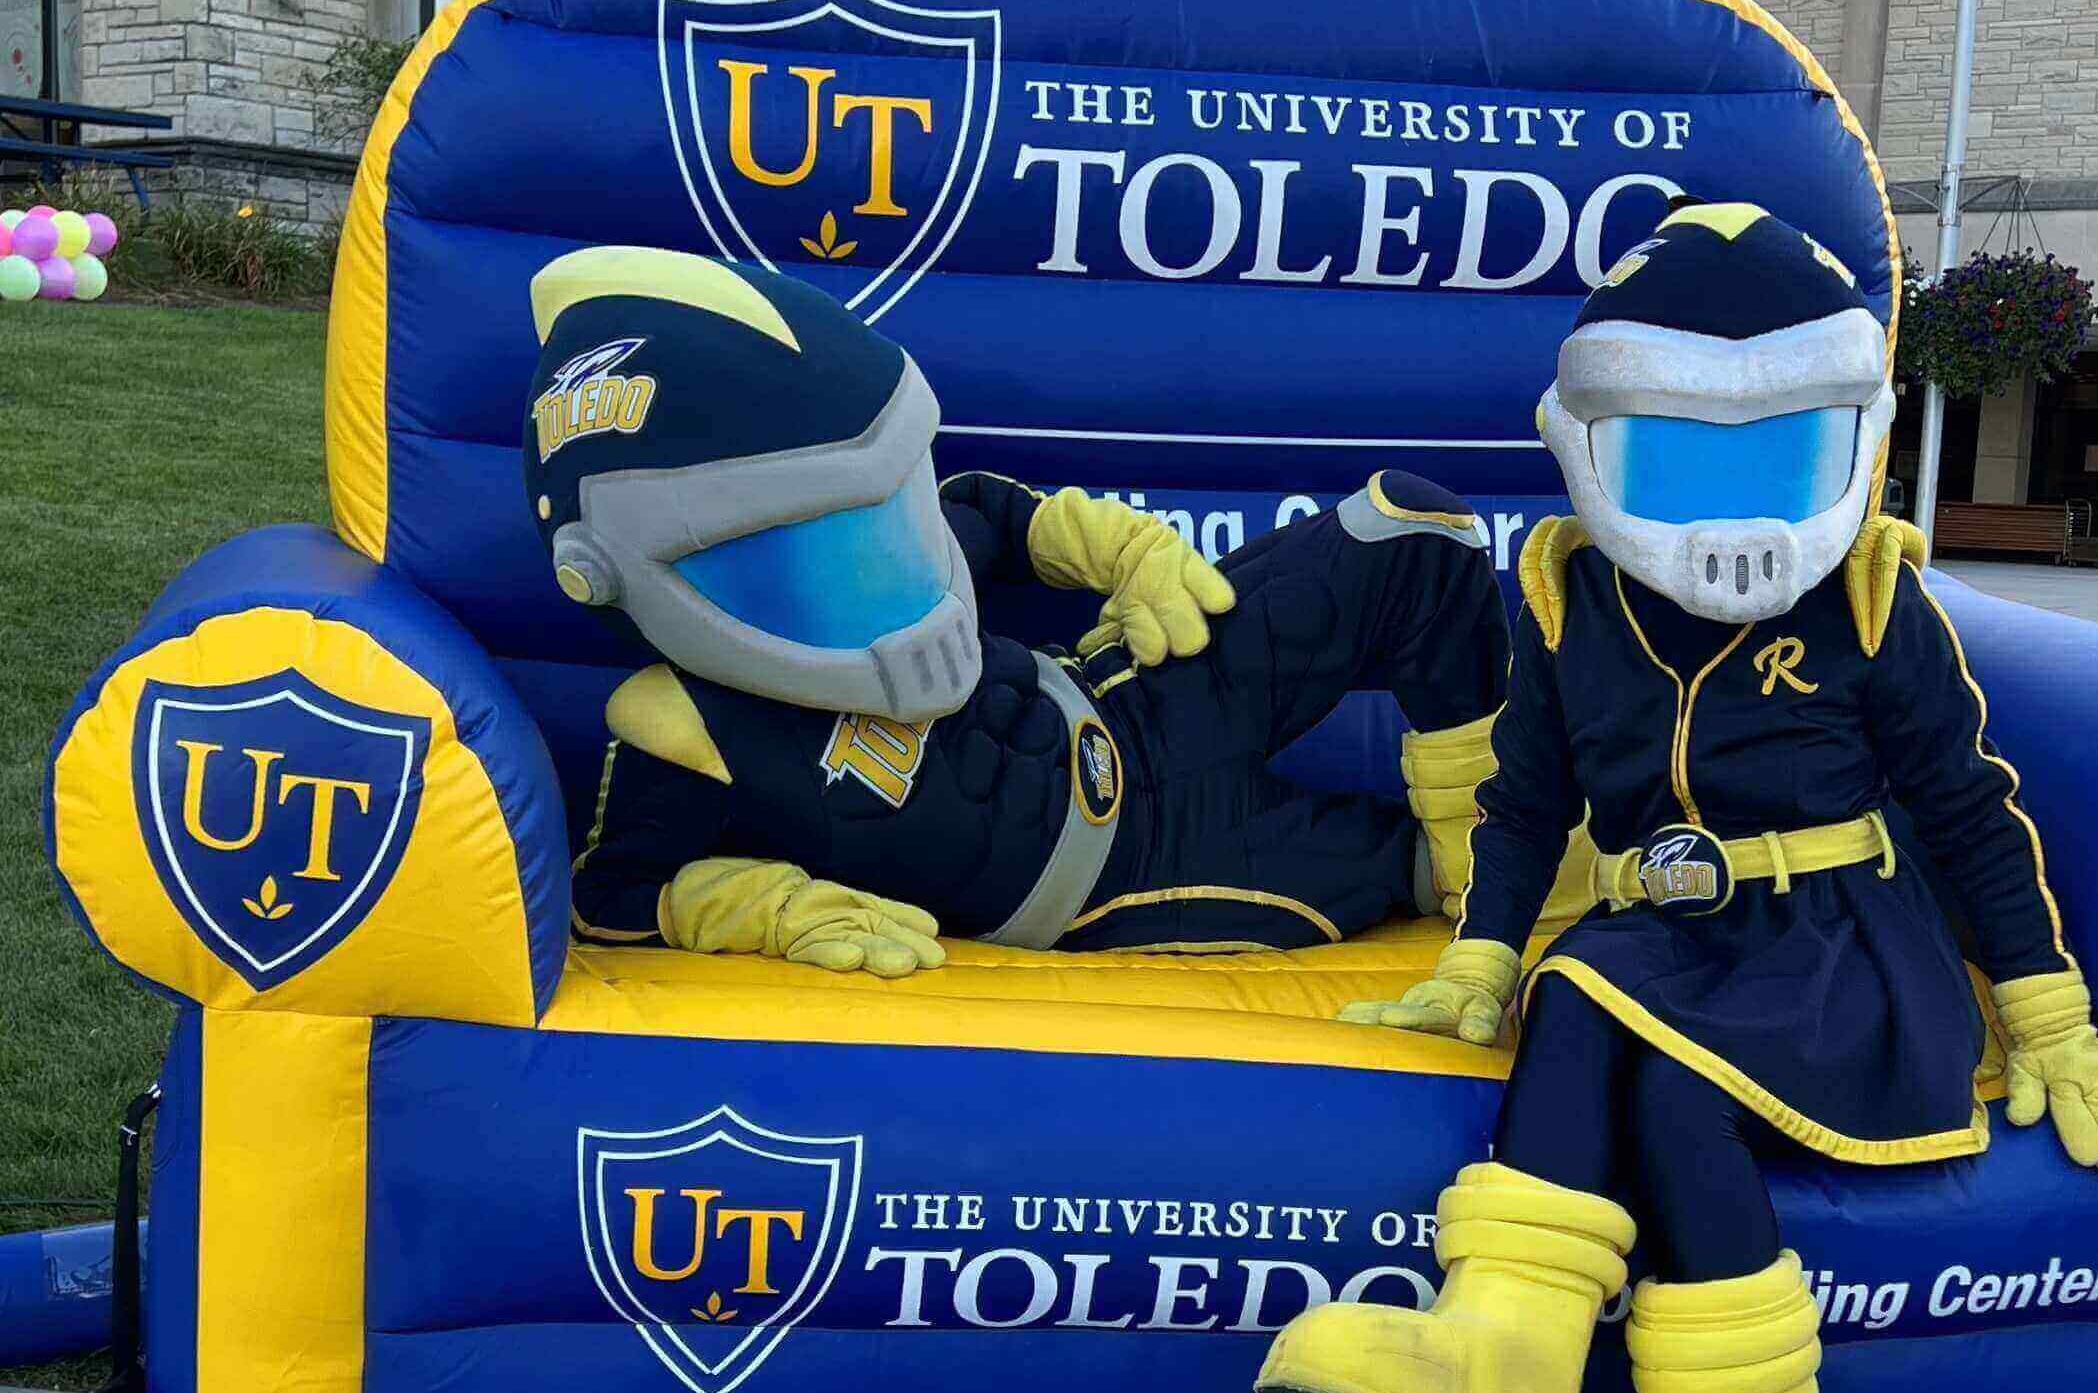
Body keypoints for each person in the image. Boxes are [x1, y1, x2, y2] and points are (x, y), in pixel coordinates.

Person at [1256, 203, 2098, 1393]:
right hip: (1651, 933)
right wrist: (1485, 950)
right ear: (1591, 445)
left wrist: (2048, 1007)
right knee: (1573, 999)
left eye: (1775, 453)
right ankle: (1507, 1359)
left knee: (1674, 1081)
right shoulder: (1569, 603)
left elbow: (1970, 807)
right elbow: (1528, 799)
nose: (1731, 511)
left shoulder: (1871, 603)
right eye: (1681, 457)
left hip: (1835, 944)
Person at [525, 246, 1509, 968]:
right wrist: (755, 904)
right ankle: (1503, 862)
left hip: (1128, 695)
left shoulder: (923, 533)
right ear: (617, 575)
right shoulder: (681, 730)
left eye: (883, 512)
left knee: (1409, 532)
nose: (879, 577)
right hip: (1120, 878)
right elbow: (611, 899)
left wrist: (1129, 550)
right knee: (1438, 875)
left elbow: (989, 510)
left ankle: (1494, 827)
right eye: (804, 556)